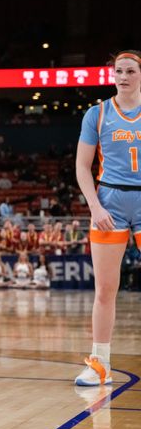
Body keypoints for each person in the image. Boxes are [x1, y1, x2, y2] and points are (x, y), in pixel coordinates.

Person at [74, 50, 141, 387]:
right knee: (105, 290)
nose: (124, 76)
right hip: (109, 203)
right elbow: (82, 167)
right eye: (119, 71)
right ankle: (100, 365)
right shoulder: (97, 113)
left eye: (130, 71)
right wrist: (95, 207)